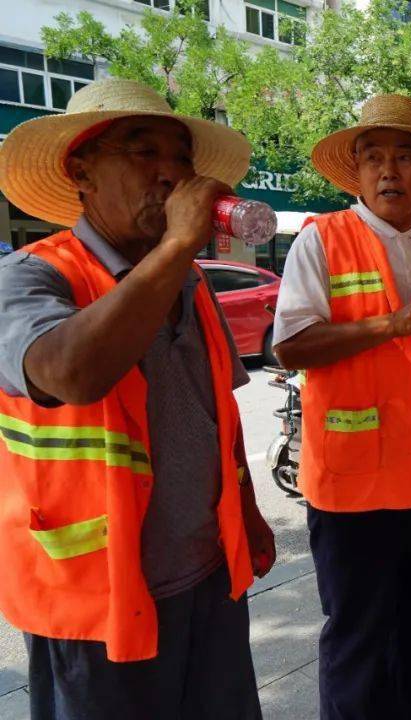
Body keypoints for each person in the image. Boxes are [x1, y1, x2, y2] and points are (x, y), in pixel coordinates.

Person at [0, 78, 275, 720]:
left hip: (209, 579)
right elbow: (69, 373)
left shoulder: (190, 280)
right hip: (97, 601)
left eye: (180, 158)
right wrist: (179, 244)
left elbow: (218, 415)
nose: (170, 174)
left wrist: (249, 511)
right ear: (81, 171)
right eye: (142, 151)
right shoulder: (32, 276)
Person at [271, 93, 411, 720]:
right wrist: (390, 323)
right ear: (358, 173)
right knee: (359, 636)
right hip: (353, 481)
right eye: (373, 159)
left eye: (403, 158)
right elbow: (289, 345)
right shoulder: (321, 241)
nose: (388, 171)